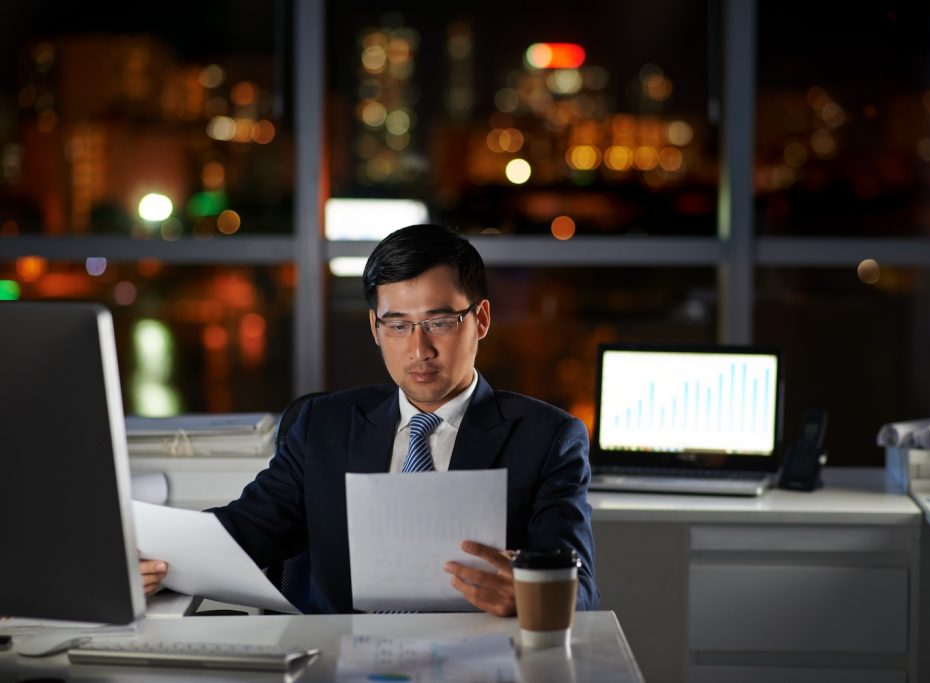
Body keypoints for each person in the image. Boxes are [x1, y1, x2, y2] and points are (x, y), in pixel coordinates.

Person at [141, 224, 598, 615]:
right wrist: (157, 564)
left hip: (474, 662)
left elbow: (579, 589)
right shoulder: (323, 425)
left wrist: (528, 593)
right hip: (337, 660)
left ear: (480, 319)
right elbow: (248, 530)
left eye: (439, 322)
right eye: (397, 325)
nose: (419, 350)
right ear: (375, 328)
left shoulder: (547, 439)